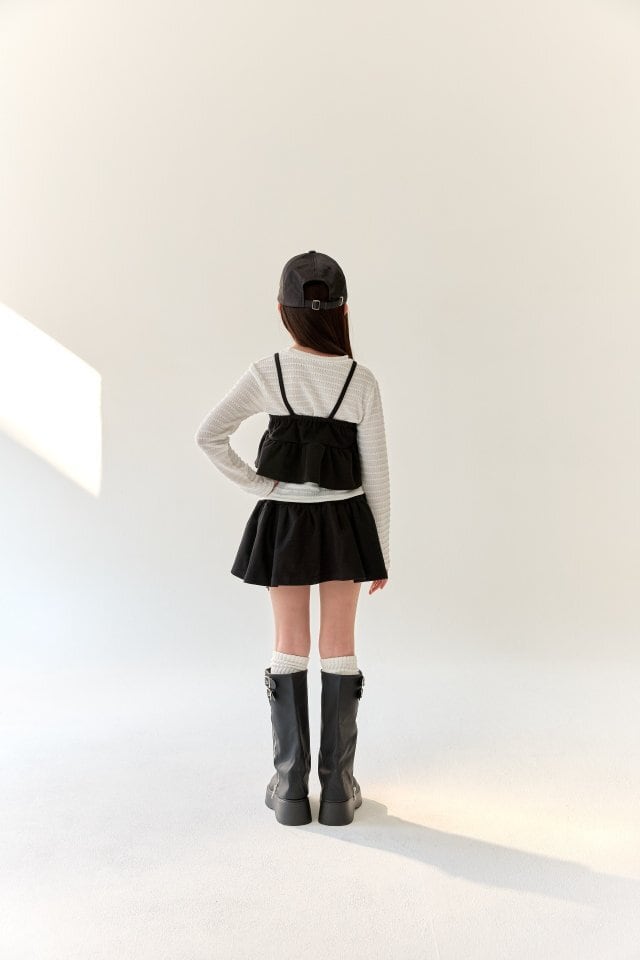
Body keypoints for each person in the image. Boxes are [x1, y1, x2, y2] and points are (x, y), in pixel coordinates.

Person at [195, 250, 391, 827]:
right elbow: (377, 473)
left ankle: (288, 787)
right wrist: (379, 551)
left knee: (289, 643)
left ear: (283, 310)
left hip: (284, 524)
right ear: (343, 311)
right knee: (339, 644)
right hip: (345, 524)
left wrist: (260, 485)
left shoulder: (268, 372)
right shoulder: (360, 380)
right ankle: (337, 790)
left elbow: (209, 435)